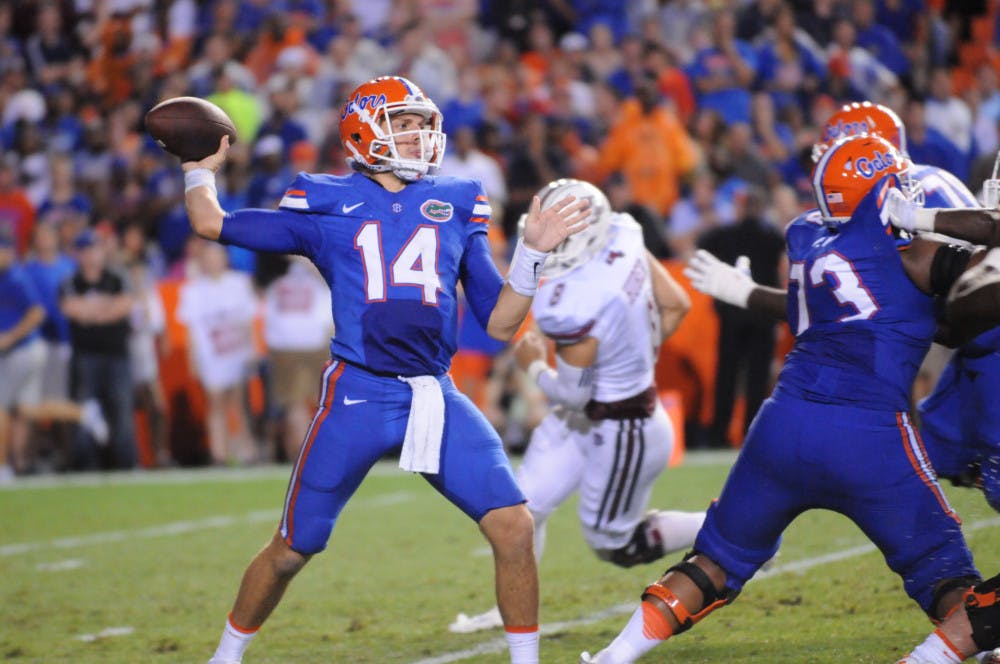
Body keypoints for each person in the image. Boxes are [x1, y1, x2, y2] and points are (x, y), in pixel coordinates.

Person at [179, 76, 589, 664]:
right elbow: (211, 223)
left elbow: (500, 324)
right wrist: (198, 168)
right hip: (359, 393)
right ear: (363, 131)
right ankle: (226, 656)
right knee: (295, 548)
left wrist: (530, 254)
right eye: (405, 122)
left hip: (434, 393)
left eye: (424, 123)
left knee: (514, 527)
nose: (421, 134)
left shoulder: (458, 201)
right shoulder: (324, 199)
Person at [579, 134, 985, 664]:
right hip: (869, 434)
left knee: (715, 560)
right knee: (943, 567)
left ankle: (615, 654)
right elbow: (976, 289)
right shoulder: (915, 252)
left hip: (782, 424)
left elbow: (811, 309)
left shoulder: (804, 236)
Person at [449, 179, 704, 634]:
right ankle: (510, 607)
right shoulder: (623, 234)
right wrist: (631, 351)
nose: (548, 236)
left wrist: (532, 367)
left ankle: (733, 529)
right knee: (522, 508)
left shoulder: (573, 303)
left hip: (619, 423)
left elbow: (574, 393)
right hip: (588, 414)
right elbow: (677, 305)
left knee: (614, 543)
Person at [177, 239, 258, 466]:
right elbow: (191, 329)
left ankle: (246, 449)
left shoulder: (239, 283)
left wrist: (252, 350)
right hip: (211, 355)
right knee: (216, 403)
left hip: (236, 351)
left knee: (239, 403)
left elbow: (247, 320)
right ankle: (219, 452)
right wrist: (192, 358)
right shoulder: (192, 290)